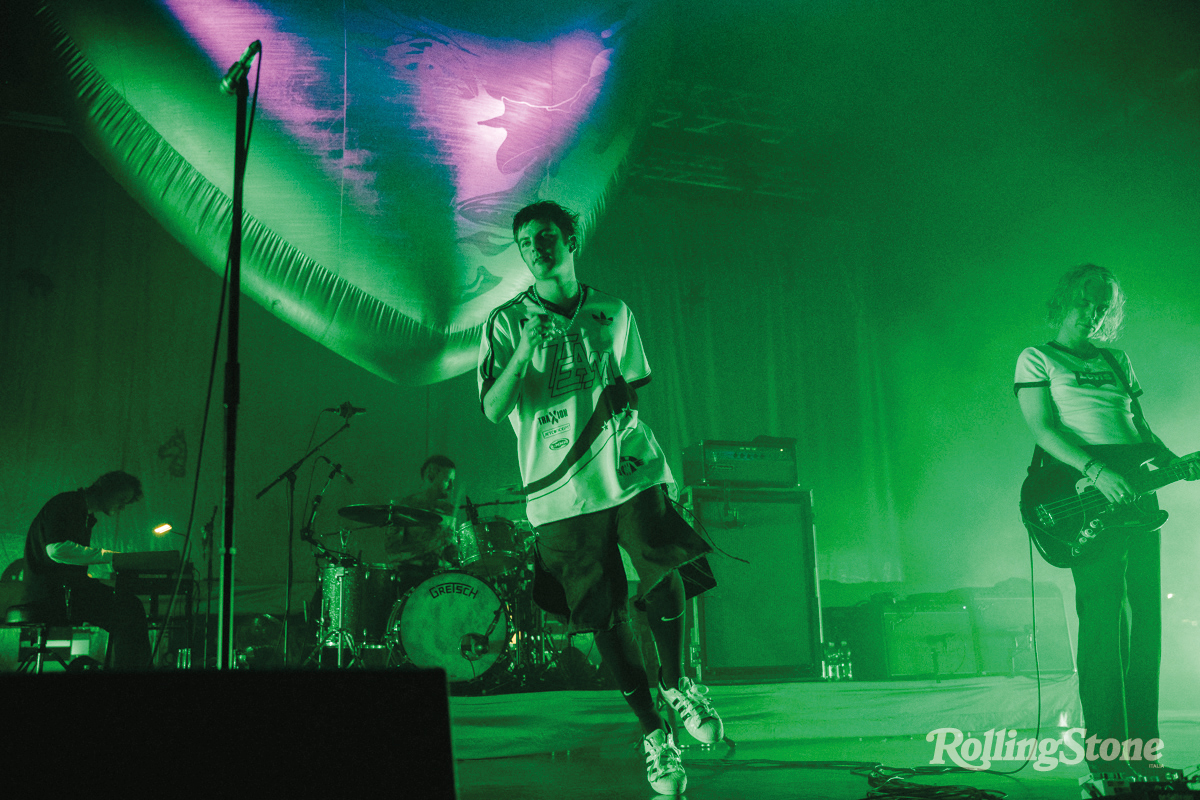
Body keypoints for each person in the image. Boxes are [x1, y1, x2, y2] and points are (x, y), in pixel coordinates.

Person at [477, 200, 722, 795]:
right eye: (525, 242)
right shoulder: (504, 322)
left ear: (570, 240)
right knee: (602, 612)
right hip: (558, 491)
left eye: (545, 236)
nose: (536, 248)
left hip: (626, 467)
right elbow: (493, 408)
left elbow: (633, 387)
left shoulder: (613, 311)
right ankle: (654, 735)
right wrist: (523, 352)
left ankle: (677, 682)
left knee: (659, 559)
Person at [1014, 264, 1199, 774]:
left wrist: (1175, 463)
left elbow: (1140, 427)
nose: (1093, 313)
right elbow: (1044, 429)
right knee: (1103, 622)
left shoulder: (1117, 360)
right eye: (1086, 302)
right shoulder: (1037, 357)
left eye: (1103, 306)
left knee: (1144, 621)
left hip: (1136, 489)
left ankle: (1144, 754)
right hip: (1083, 487)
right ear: (1064, 301)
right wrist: (1095, 471)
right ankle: (1108, 759)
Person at [22, 470, 153, 670]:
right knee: (128, 609)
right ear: (106, 488)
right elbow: (56, 550)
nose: (122, 507)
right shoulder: (68, 503)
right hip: (51, 595)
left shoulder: (82, 512)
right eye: (122, 499)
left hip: (62, 591)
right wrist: (109, 556)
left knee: (127, 607)